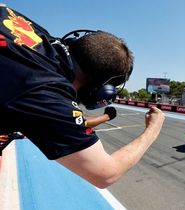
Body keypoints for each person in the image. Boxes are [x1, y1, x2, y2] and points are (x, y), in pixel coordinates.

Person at [0, 5, 165, 188]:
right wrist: (153, 129)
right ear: (97, 90)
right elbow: (106, 174)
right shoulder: (47, 90)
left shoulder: (35, 31)